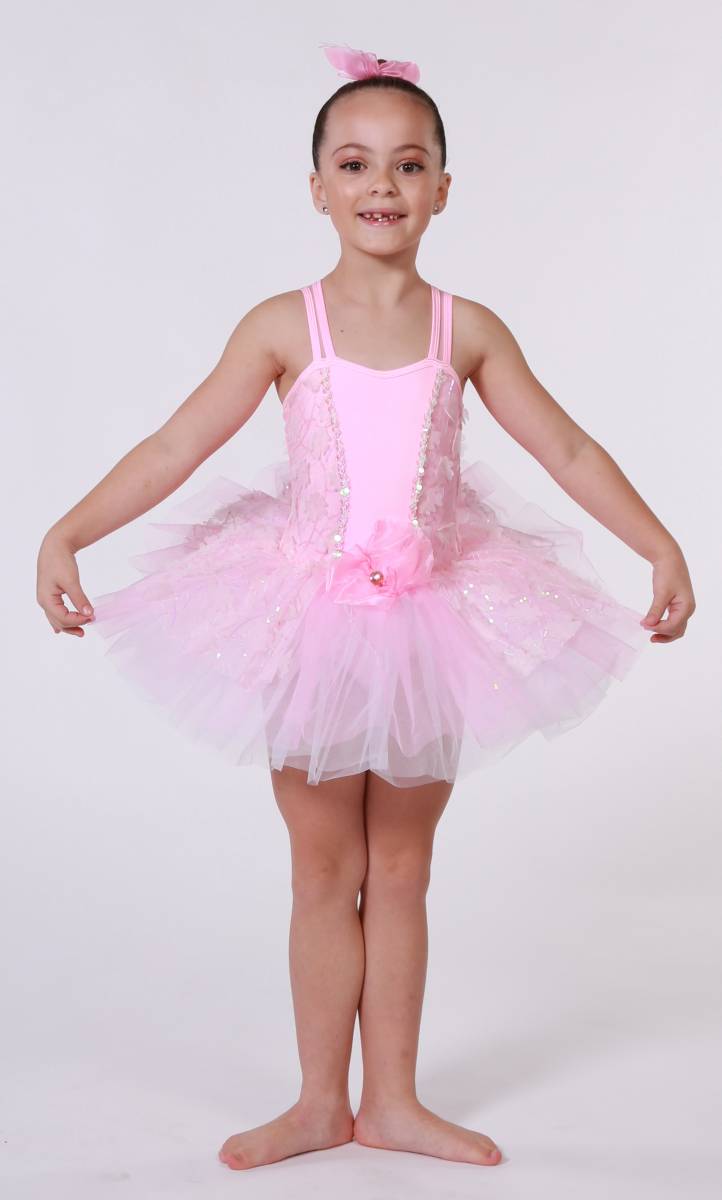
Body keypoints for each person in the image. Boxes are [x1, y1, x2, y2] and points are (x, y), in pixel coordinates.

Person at [36, 41, 695, 1172]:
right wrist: (68, 529)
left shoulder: (466, 329)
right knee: (320, 869)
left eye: (406, 164)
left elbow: (570, 448)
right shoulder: (281, 324)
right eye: (353, 163)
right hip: (308, 619)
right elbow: (176, 445)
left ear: (442, 187)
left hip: (430, 622)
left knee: (401, 870)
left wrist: (659, 544)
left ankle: (390, 1099)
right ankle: (313, 1102)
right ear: (317, 188)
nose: (380, 185)